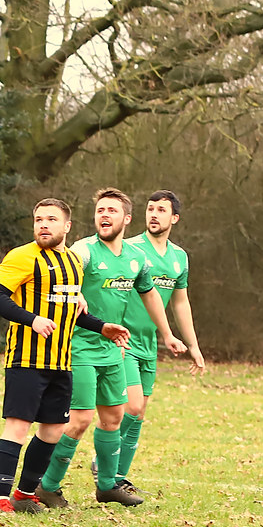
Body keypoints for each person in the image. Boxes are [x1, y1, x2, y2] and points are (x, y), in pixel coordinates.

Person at [35, 188, 186, 509]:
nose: (104, 215)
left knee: (115, 417)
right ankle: (47, 486)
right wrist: (74, 291)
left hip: (113, 350)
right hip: (79, 347)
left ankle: (106, 486)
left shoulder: (137, 259)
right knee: (78, 421)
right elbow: (65, 262)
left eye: (112, 211)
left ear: (127, 219)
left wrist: (168, 334)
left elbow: (150, 296)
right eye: (100, 210)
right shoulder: (85, 250)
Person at [0, 198, 130, 514]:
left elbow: (69, 311)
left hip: (61, 362)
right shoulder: (22, 257)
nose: (43, 225)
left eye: (51, 219)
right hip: (26, 360)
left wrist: (101, 326)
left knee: (52, 432)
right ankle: (0, 500)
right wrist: (31, 319)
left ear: (67, 226)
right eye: (38, 219)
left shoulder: (73, 263)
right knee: (18, 428)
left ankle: (24, 495)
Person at [111, 190, 206, 493]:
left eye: (161, 210)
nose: (153, 214)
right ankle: (106, 458)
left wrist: (193, 345)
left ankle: (117, 478)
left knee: (139, 416)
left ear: (174, 218)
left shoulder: (179, 257)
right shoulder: (130, 248)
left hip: (149, 342)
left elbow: (180, 303)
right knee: (132, 407)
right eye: (150, 209)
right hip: (122, 340)